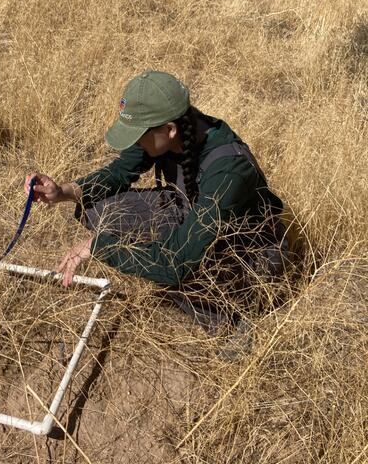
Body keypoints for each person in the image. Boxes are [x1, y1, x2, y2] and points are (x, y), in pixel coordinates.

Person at [25, 71, 290, 328]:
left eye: (138, 134)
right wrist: (63, 192)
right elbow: (118, 172)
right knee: (98, 210)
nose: (135, 142)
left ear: (170, 129)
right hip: (196, 215)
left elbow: (176, 263)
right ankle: (162, 262)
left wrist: (101, 247)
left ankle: (229, 321)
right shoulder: (172, 130)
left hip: (249, 253)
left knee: (171, 270)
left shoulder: (228, 171)